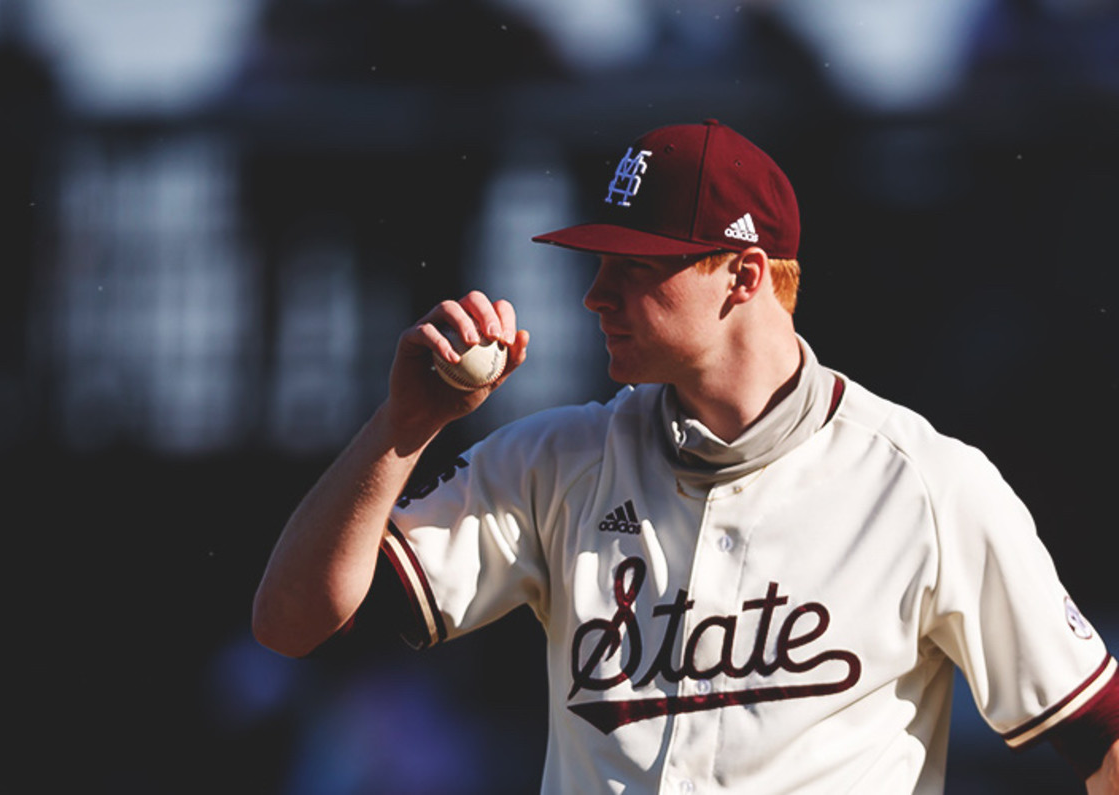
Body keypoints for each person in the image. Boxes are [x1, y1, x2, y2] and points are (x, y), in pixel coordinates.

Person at [253, 119, 1119, 793]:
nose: (596, 295)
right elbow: (290, 622)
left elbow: (1101, 735)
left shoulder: (925, 483)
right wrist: (405, 426)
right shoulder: (558, 462)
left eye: (635, 268)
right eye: (601, 264)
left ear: (743, 277)